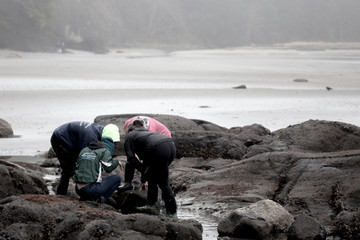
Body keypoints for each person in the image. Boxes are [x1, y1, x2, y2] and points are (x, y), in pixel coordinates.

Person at [124, 120, 177, 218]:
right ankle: (151, 205)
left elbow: (130, 158)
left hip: (158, 149)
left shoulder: (130, 136)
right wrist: (144, 179)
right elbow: (147, 163)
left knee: (163, 183)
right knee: (153, 176)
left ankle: (172, 213)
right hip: (170, 146)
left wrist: (142, 169)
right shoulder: (147, 134)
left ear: (129, 131)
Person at [50, 121, 120, 195]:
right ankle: (61, 194)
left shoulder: (104, 131)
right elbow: (85, 158)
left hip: (72, 138)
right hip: (61, 137)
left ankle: (81, 187)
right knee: (69, 169)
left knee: (80, 166)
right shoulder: (90, 138)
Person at [120, 116, 172, 191]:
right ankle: (127, 183)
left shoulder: (149, 129)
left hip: (163, 142)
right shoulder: (128, 124)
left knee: (155, 169)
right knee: (130, 159)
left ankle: (160, 193)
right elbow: (131, 152)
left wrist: (144, 179)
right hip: (151, 142)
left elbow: (146, 158)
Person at [73, 136, 121, 204]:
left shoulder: (84, 149)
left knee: (98, 178)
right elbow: (108, 168)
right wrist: (116, 161)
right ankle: (101, 199)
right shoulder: (104, 151)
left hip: (78, 189)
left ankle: (87, 197)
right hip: (89, 189)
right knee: (117, 178)